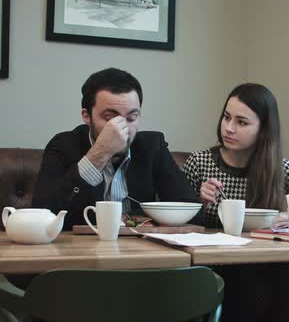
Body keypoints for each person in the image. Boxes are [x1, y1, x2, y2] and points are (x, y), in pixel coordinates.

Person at [32, 68, 198, 230]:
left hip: (141, 250)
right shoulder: (63, 145)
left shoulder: (153, 146)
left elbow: (191, 211)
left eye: (132, 117)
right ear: (86, 116)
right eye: (110, 118)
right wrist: (98, 155)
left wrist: (134, 218)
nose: (121, 128)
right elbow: (43, 216)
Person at [183, 83, 289, 229]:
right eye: (227, 117)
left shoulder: (280, 168)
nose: (229, 128)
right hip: (210, 257)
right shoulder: (199, 163)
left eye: (241, 122)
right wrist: (200, 203)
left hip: (262, 257)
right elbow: (171, 220)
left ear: (263, 130)